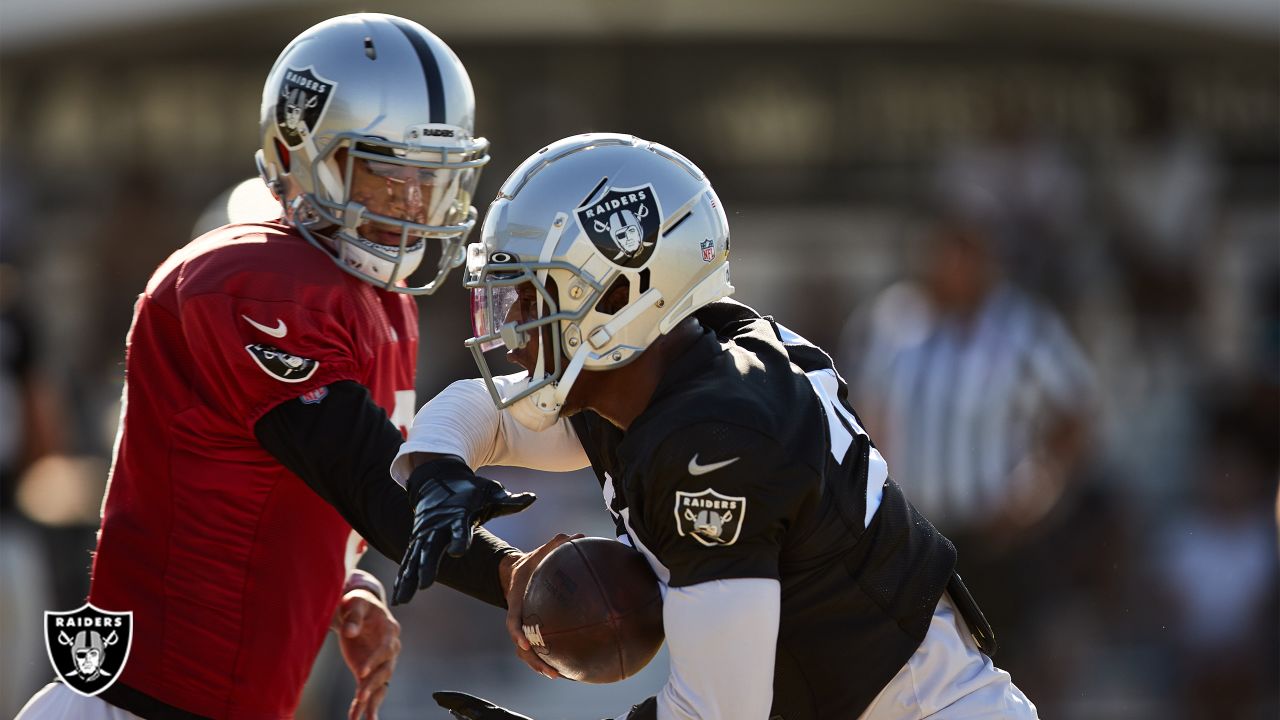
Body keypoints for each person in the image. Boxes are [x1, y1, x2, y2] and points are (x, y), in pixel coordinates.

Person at [390, 133, 1039, 719]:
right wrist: (439, 474)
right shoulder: (653, 373)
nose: (509, 328)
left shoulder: (715, 442)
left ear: (618, 297)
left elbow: (721, 713)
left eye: (529, 297)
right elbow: (478, 410)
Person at [17, 13, 496, 720]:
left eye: (431, 181)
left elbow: (267, 485)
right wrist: (524, 578)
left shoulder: (383, 304)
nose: (413, 206)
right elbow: (362, 471)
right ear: (296, 152)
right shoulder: (252, 277)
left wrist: (342, 587)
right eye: (387, 177)